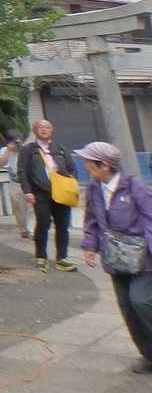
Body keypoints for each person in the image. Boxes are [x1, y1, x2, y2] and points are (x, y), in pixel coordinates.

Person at [76, 141, 152, 374]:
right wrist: (90, 245)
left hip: (143, 258)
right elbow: (91, 220)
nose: (85, 164)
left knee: (141, 301)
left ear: (104, 165)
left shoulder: (134, 187)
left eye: (89, 161)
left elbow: (150, 218)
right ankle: (148, 355)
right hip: (115, 258)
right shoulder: (94, 189)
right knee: (127, 306)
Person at [18, 118, 77, 272]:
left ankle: (62, 258)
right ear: (35, 130)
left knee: (63, 225)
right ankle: (41, 257)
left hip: (62, 192)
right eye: (41, 127)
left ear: (52, 130)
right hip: (40, 192)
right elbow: (22, 171)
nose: (44, 129)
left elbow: (72, 169)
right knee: (43, 224)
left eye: (47, 127)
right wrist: (27, 191)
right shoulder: (28, 150)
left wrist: (72, 184)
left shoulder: (61, 149)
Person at [0, 131, 29, 238]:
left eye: (19, 141)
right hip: (15, 183)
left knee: (31, 207)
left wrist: (21, 148)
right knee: (18, 207)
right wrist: (8, 150)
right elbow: (1, 164)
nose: (17, 144)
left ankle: (32, 229)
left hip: (28, 181)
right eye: (15, 141)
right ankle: (23, 228)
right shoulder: (5, 150)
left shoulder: (26, 149)